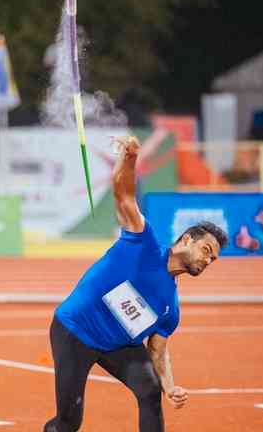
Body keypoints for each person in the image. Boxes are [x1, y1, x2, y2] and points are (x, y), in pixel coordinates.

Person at [44, 135, 228, 432]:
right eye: (206, 251)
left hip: (116, 346)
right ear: (185, 240)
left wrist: (170, 387)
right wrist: (129, 158)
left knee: (149, 390)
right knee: (69, 422)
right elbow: (124, 195)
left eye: (213, 260)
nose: (208, 261)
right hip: (74, 332)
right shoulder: (143, 242)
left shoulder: (171, 308)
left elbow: (158, 350)